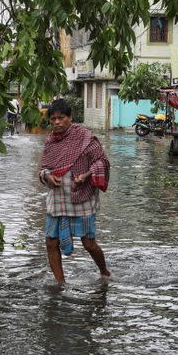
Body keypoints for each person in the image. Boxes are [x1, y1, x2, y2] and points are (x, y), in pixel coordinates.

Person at [39, 98, 111, 283]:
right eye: (53, 119)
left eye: (61, 118)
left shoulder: (85, 137)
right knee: (51, 242)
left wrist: (86, 175)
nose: (56, 122)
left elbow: (102, 162)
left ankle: (104, 272)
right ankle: (60, 284)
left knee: (88, 243)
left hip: (82, 197)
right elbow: (43, 169)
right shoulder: (50, 143)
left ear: (70, 118)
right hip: (57, 197)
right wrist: (48, 176)